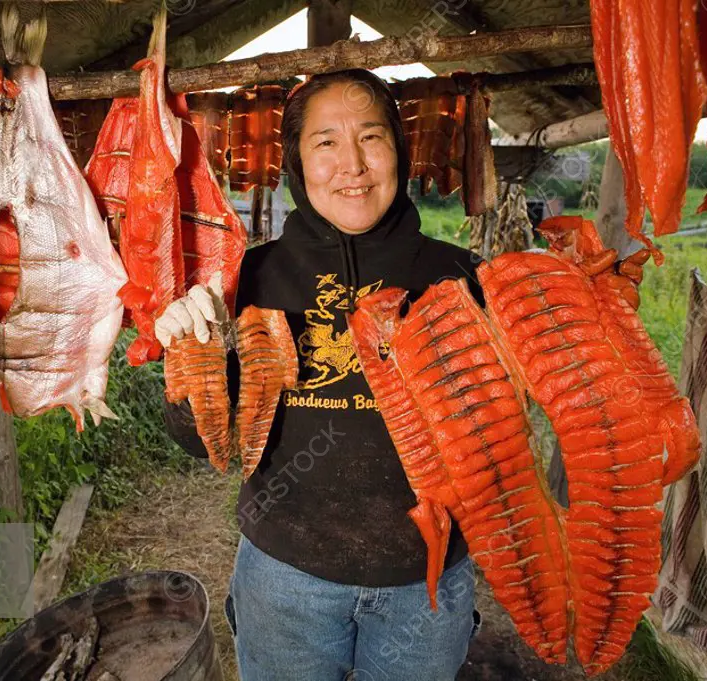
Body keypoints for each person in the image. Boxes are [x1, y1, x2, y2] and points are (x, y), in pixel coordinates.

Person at [158, 69, 485, 681]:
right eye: (326, 142)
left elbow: (511, 422)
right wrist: (187, 351)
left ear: (400, 150)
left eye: (371, 137)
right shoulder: (248, 279)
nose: (353, 164)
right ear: (297, 162)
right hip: (286, 579)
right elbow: (200, 441)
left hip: (428, 581)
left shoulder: (463, 278)